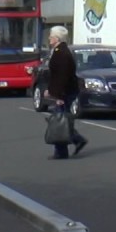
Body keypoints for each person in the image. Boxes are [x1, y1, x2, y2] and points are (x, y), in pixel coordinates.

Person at [45, 26, 88, 159]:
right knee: (62, 119)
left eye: (51, 36)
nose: (49, 38)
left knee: (59, 121)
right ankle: (75, 141)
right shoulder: (59, 51)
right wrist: (50, 90)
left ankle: (63, 150)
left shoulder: (62, 53)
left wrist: (59, 95)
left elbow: (62, 76)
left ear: (57, 38)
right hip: (64, 91)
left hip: (65, 93)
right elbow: (55, 75)